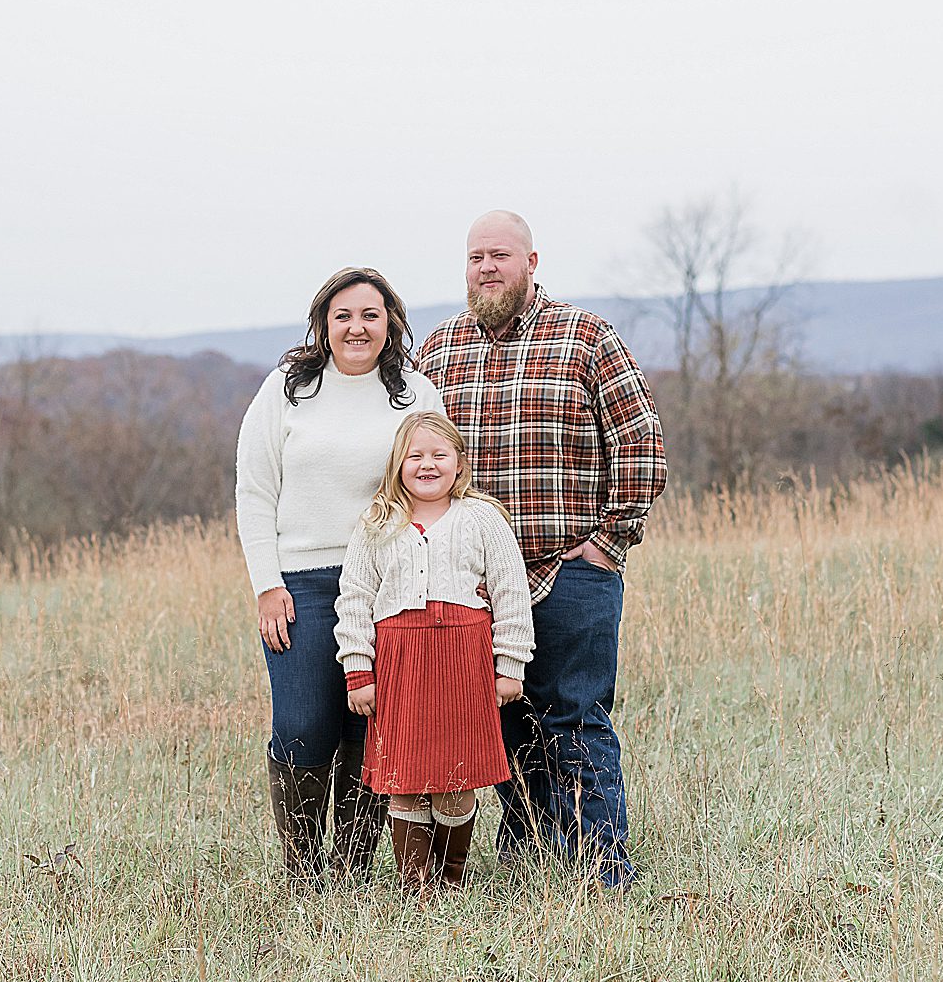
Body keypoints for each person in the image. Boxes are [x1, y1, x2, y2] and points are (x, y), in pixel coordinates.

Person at [417, 210, 667, 890]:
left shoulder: (587, 337)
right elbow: (412, 459)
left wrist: (608, 543)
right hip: (474, 585)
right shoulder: (436, 352)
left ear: (532, 261)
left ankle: (603, 868)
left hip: (571, 570)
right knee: (504, 723)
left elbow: (641, 445)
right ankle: (531, 849)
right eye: (475, 257)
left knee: (575, 716)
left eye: (500, 254)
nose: (486, 267)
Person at [235, 267, 445, 886]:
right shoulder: (286, 391)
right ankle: (305, 875)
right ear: (324, 325)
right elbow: (254, 492)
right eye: (343, 316)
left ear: (391, 323)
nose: (357, 327)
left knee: (371, 725)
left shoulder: (415, 394)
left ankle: (353, 872)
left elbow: (439, 484)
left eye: (370, 315)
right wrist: (266, 584)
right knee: (303, 727)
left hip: (391, 583)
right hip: (301, 582)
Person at [333, 412, 534, 893]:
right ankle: (416, 887)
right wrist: (358, 670)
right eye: (415, 456)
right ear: (397, 465)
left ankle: (451, 879)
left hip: (463, 661)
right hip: (400, 663)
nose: (427, 465)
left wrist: (509, 665)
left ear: (459, 464)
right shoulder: (378, 522)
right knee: (405, 774)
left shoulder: (483, 518)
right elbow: (355, 596)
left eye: (439, 455)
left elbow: (511, 592)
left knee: (456, 775)